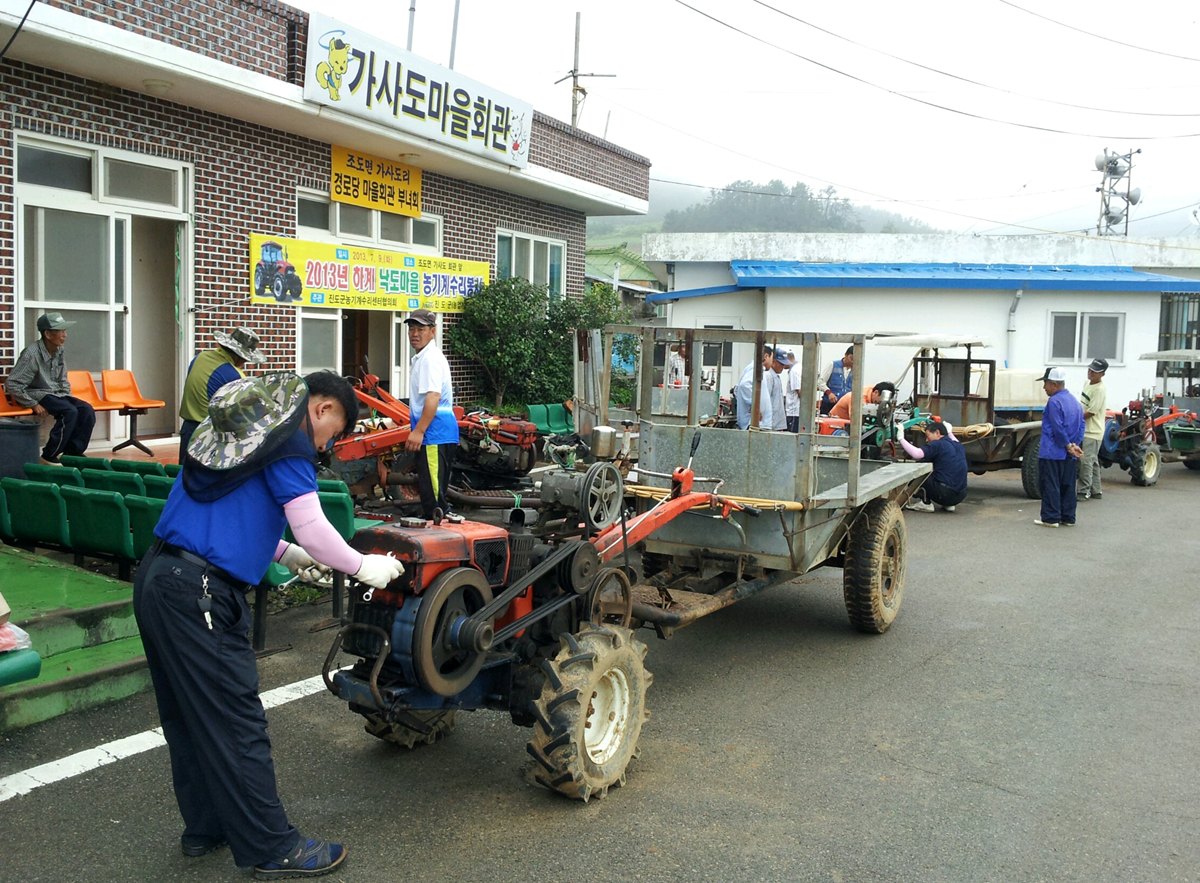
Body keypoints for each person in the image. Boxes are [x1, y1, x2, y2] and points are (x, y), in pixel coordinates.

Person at [133, 370, 403, 877]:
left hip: (159, 577)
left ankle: (207, 826)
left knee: (187, 716)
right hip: (200, 596)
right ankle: (271, 848)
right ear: (322, 409)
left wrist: (287, 553)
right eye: (337, 430)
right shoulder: (288, 439)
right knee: (237, 723)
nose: (330, 444)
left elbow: (222, 513)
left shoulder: (240, 434)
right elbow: (315, 525)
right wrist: (364, 565)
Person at [5, 311, 95, 465]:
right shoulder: (31, 355)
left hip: (57, 394)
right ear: (47, 334)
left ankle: (73, 452)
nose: (65, 335)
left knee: (86, 410)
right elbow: (12, 383)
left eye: (65, 331)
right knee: (69, 412)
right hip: (37, 394)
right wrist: (33, 404)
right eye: (61, 331)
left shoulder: (59, 350)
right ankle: (49, 455)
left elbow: (62, 378)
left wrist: (68, 396)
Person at [178, 326, 266, 460]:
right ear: (238, 356)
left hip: (188, 429)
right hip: (209, 436)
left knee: (183, 476)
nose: (245, 362)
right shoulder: (235, 376)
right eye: (245, 359)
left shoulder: (200, 357)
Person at [403, 309, 459, 519]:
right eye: (412, 329)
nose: (415, 334)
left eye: (421, 329)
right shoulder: (424, 357)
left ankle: (441, 544)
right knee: (431, 493)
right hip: (435, 434)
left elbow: (433, 397)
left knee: (434, 500)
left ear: (433, 331)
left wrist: (418, 431)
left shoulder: (429, 359)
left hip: (435, 434)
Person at [1035, 366, 1085, 528]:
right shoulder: (1074, 401)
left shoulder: (1054, 402)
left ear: (1054, 385)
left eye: (1046, 383)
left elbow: (1057, 427)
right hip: (1069, 454)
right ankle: (1068, 517)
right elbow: (1082, 424)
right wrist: (1074, 444)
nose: (1044, 387)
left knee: (1050, 484)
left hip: (1052, 451)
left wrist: (1067, 445)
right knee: (1068, 484)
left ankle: (1050, 518)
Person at [900, 417, 968, 512]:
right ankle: (948, 504)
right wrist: (949, 432)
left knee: (918, 470)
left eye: (928, 435)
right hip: (960, 495)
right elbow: (953, 438)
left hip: (945, 494)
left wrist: (901, 438)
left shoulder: (938, 444)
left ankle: (925, 503)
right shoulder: (958, 445)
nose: (927, 440)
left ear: (937, 433)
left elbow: (917, 454)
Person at [1078, 357, 1108, 501]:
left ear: (1102, 374)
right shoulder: (1087, 383)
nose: (1090, 373)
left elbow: (1091, 412)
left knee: (1086, 462)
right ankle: (1096, 490)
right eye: (1090, 369)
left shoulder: (1099, 390)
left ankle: (1083, 491)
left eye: (1094, 372)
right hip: (1085, 430)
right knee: (1093, 461)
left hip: (1093, 432)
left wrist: (1075, 418)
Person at [735, 346, 774, 430]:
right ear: (766, 356)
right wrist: (755, 406)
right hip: (755, 424)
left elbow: (737, 390)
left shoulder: (754, 369)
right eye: (772, 359)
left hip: (758, 424)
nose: (772, 362)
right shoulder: (755, 368)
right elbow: (744, 385)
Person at [829, 381, 895, 421]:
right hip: (837, 424)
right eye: (880, 402)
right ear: (876, 392)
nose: (880, 404)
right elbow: (856, 421)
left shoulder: (872, 389)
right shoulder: (857, 398)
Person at [817, 346, 854, 415]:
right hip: (829, 405)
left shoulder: (856, 371)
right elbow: (820, 381)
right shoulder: (833, 365)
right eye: (851, 358)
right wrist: (829, 393)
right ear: (845, 355)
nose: (852, 361)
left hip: (843, 408)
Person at [768, 347, 793, 431]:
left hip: (776, 424)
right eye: (781, 364)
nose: (783, 366)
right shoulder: (769, 377)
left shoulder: (775, 376)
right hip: (770, 424)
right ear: (773, 361)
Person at [783, 346, 803, 432]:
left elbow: (799, 391)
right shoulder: (799, 367)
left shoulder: (794, 370)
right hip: (797, 411)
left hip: (794, 412)